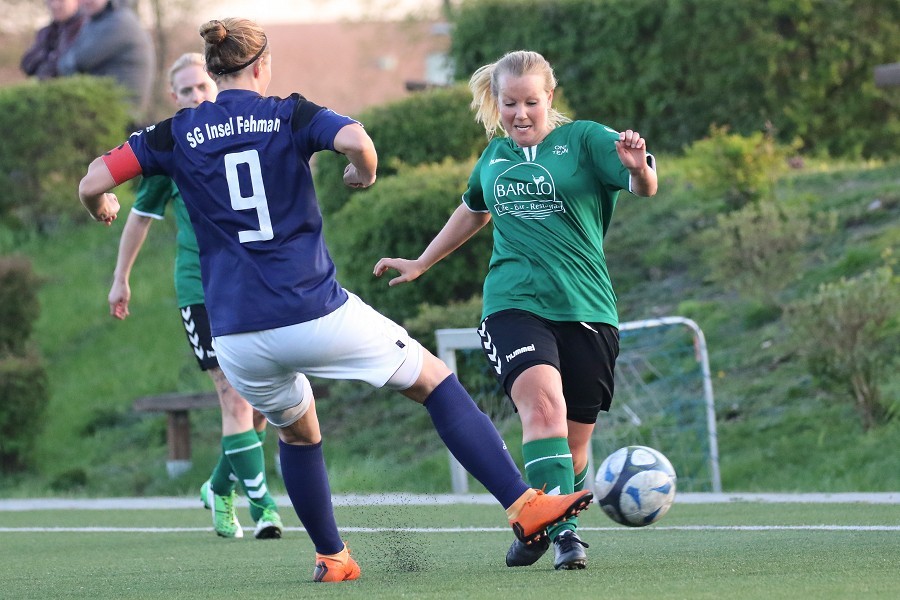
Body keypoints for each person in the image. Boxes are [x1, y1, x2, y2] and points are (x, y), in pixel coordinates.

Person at [78, 19, 592, 583]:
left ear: (214, 70)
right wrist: (361, 172)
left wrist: (101, 206)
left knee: (298, 430)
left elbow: (94, 179)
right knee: (434, 381)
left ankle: (333, 556)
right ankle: (524, 506)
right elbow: (356, 141)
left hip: (237, 337)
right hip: (312, 311)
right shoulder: (287, 112)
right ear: (261, 65)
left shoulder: (174, 132)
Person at [374, 50, 658, 570]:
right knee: (542, 404)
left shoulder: (587, 141)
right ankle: (560, 534)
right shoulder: (495, 157)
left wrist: (639, 169)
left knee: (574, 447)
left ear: (550, 98)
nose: (521, 113)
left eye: (531, 101)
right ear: (497, 103)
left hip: (588, 309)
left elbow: (643, 186)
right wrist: (422, 262)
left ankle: (542, 525)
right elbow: (473, 208)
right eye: (510, 103)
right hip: (512, 304)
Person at [107, 52, 282, 541]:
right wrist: (121, 277)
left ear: (217, 84)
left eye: (202, 87)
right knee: (232, 396)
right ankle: (264, 507)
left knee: (264, 403)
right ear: (174, 97)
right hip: (200, 289)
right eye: (186, 91)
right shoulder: (173, 148)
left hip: (252, 285)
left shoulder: (244, 133)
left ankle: (218, 486)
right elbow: (141, 216)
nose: (196, 97)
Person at [57, 0, 155, 123]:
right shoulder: (95, 21)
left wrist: (67, 62)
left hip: (122, 117)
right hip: (102, 109)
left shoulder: (120, 22)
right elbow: (66, 60)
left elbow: (81, 60)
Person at [20, 0, 86, 80]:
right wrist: (49, 56)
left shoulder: (85, 29)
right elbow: (27, 64)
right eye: (51, 1)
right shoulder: (46, 32)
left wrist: (46, 58)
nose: (55, 5)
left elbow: (64, 65)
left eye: (61, 1)